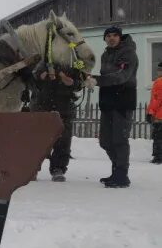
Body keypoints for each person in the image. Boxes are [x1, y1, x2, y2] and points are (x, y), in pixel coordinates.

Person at [91, 25, 139, 188]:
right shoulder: (106, 54)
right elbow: (107, 76)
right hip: (108, 101)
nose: (111, 38)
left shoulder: (128, 53)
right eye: (108, 36)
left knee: (119, 139)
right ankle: (116, 169)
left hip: (123, 101)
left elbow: (122, 76)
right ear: (104, 38)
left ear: (120, 37)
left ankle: (121, 175)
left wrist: (97, 80)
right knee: (105, 140)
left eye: (114, 35)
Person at [29, 63, 82, 182]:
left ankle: (58, 168)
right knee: (38, 140)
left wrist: (71, 82)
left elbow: (80, 82)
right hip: (41, 106)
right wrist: (39, 78)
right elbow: (30, 82)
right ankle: (32, 168)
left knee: (63, 140)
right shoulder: (41, 61)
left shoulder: (74, 61)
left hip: (64, 106)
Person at [147, 61, 162, 164]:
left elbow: (156, 100)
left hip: (160, 116)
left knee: (158, 137)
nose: (157, 71)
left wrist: (150, 112)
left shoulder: (159, 82)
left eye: (159, 69)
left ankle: (158, 157)